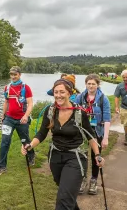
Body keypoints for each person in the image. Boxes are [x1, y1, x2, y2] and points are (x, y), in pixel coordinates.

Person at [21, 78, 104, 210]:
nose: (58, 95)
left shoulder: (79, 112)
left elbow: (91, 136)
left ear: (69, 93)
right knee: (67, 194)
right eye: (56, 92)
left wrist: (97, 154)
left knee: (64, 200)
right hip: (55, 158)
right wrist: (30, 145)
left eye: (62, 92)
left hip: (75, 158)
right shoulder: (50, 110)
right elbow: (42, 133)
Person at [0, 66, 35, 175]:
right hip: (9, 119)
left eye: (15, 74)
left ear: (19, 74)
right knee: (4, 142)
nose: (13, 77)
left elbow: (30, 104)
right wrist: (2, 115)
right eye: (11, 74)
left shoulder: (26, 88)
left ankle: (31, 156)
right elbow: (6, 102)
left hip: (22, 120)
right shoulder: (7, 88)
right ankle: (1, 167)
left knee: (25, 141)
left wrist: (26, 116)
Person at [75, 74, 111, 195]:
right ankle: (82, 179)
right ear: (86, 84)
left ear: (97, 85)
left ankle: (94, 181)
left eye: (93, 84)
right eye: (89, 83)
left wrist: (105, 137)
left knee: (96, 157)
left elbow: (107, 119)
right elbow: (73, 114)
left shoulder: (103, 99)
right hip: (82, 132)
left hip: (97, 132)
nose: (91, 86)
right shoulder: (80, 97)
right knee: (82, 156)